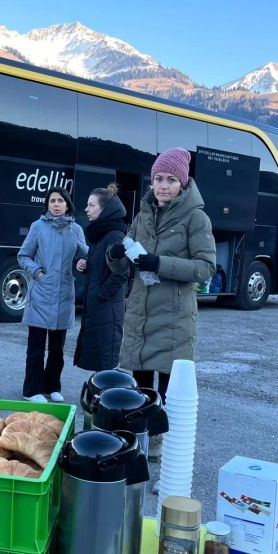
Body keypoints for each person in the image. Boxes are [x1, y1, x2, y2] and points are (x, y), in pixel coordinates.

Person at [108, 147, 216, 404]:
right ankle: (145, 442)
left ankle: (166, 443)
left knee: (170, 400)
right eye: (159, 179)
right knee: (140, 400)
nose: (163, 186)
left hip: (174, 321)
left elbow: (205, 267)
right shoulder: (142, 216)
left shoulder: (196, 218)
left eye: (171, 179)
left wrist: (160, 264)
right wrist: (114, 256)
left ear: (183, 182)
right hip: (140, 317)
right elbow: (125, 269)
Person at [17, 186, 88, 403]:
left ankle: (52, 386)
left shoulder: (75, 229)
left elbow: (85, 255)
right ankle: (31, 390)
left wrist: (83, 261)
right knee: (36, 346)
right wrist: (37, 273)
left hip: (64, 293)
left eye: (60, 201)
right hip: (42, 291)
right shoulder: (37, 227)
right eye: (52, 201)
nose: (56, 205)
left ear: (68, 204)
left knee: (57, 349)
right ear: (47, 205)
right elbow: (23, 256)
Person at [73, 184, 130, 373]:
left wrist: (101, 294)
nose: (86, 209)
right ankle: (99, 395)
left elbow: (122, 273)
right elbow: (101, 266)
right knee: (100, 358)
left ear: (104, 210)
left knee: (105, 360)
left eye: (91, 205)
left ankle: (105, 398)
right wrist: (85, 265)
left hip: (106, 308)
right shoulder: (101, 235)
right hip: (100, 306)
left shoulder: (114, 236)